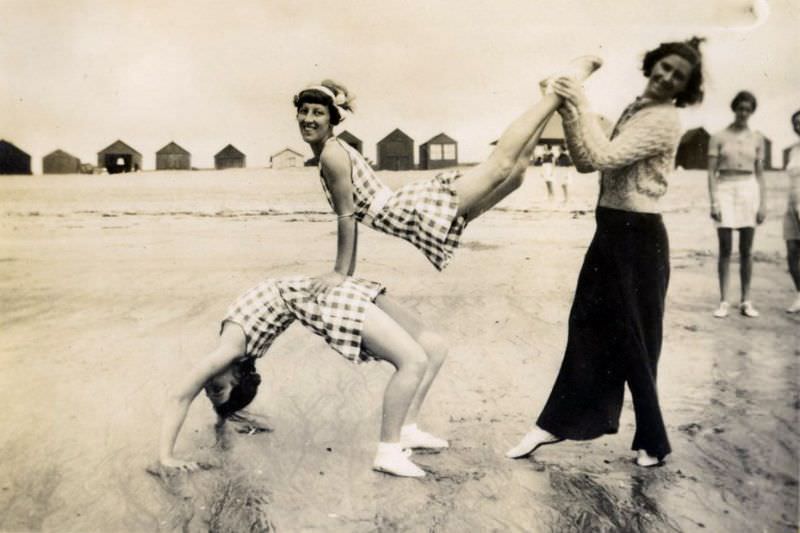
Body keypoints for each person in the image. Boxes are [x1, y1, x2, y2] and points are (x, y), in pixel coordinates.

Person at [506, 37, 705, 467]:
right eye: (664, 67)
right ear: (652, 64)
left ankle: (653, 441)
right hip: (611, 231)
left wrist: (577, 98)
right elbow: (584, 161)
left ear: (685, 88)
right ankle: (555, 424)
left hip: (640, 237)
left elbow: (604, 154)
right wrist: (567, 106)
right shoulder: (637, 108)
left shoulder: (667, 120)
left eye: (679, 76)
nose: (667, 77)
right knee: (586, 324)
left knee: (636, 339)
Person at [294, 55, 602, 289]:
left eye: (318, 112)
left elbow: (347, 217)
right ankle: (547, 95)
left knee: (502, 164)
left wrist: (338, 273)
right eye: (304, 111)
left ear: (333, 118)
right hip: (404, 211)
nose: (308, 119)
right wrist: (346, 275)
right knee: (516, 175)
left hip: (408, 211)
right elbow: (353, 217)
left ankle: (558, 90)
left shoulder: (332, 154)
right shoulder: (332, 151)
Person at [158, 275, 451, 478]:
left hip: (322, 289)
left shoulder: (231, 349)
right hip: (322, 296)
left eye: (212, 386)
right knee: (413, 360)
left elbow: (180, 395)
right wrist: (216, 420)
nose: (207, 382)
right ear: (239, 378)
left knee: (434, 348)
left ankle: (408, 428)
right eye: (216, 388)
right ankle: (388, 451)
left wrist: (168, 454)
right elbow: (195, 395)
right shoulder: (236, 351)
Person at [707, 91, 768, 318]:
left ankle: (746, 300)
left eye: (748, 109)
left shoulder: (757, 139)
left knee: (747, 249)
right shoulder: (718, 137)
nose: (743, 113)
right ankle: (724, 301)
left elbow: (761, 174)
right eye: (740, 108)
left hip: (748, 187)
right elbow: (711, 173)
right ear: (734, 108)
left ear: (751, 112)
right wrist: (714, 201)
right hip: (724, 187)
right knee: (725, 248)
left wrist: (763, 203)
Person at [784, 110, 800, 313]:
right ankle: (799, 294)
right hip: (792, 204)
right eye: (795, 122)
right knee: (792, 252)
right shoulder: (794, 150)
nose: (799, 126)